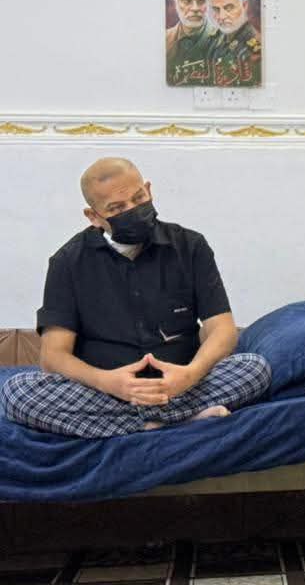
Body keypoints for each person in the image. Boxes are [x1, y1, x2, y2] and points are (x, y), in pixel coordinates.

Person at [0, 158, 270, 438]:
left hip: (182, 385)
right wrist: (108, 382)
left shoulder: (191, 246)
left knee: (254, 369)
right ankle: (175, 422)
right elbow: (53, 356)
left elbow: (222, 329)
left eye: (138, 198)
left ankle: (134, 426)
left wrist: (190, 374)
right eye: (117, 208)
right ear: (93, 216)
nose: (132, 210)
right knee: (17, 393)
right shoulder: (68, 262)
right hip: (105, 393)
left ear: (148, 190)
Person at [207, 0, 262, 87]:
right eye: (216, 9)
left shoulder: (255, 45)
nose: (221, 17)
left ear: (244, 6)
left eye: (229, 8)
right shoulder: (217, 38)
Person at [165, 0, 220, 86]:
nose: (195, 8)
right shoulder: (164, 39)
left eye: (201, 1)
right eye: (187, 1)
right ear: (176, 4)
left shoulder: (223, 40)